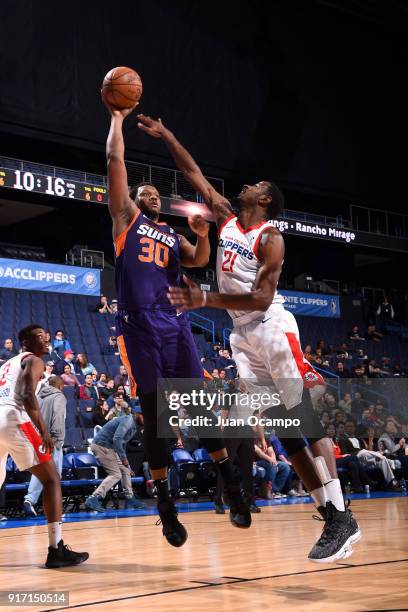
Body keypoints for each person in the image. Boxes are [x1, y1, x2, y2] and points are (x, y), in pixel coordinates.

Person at [139, 113, 360, 562]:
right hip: (241, 337)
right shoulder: (224, 216)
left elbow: (260, 299)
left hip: (272, 327)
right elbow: (192, 172)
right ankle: (331, 515)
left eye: (256, 184)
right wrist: (167, 136)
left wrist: (205, 300)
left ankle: (341, 511)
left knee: (299, 416)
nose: (246, 185)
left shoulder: (270, 237)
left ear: (265, 199)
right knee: (284, 431)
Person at [102, 100, 251, 547]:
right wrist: (117, 118)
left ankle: (232, 486)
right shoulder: (125, 220)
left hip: (176, 323)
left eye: (152, 194)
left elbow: (200, 261)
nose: (148, 195)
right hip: (140, 325)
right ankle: (166, 505)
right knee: (156, 418)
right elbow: (115, 161)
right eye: (141, 192)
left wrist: (203, 238)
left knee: (201, 406)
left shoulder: (171, 234)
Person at [0, 324, 88, 568]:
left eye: (46, 335)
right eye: (40, 336)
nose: (46, 339)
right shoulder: (34, 359)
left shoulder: (7, 364)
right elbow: (27, 393)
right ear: (26, 343)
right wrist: (42, 429)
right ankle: (56, 549)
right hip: (12, 416)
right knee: (51, 479)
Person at [23, 376, 67, 516]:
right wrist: (56, 438)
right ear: (59, 385)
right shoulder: (59, 396)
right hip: (52, 439)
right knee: (54, 475)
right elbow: (58, 417)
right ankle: (39, 503)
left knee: (43, 471)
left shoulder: (39, 396)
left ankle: (33, 502)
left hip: (38, 438)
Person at [85, 413, 145, 511]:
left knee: (126, 470)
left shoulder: (133, 426)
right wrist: (123, 458)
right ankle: (94, 498)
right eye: (144, 416)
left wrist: (128, 465)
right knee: (116, 474)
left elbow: (122, 444)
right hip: (102, 445)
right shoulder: (128, 421)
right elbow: (117, 439)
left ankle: (130, 497)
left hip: (111, 448)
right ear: (137, 414)